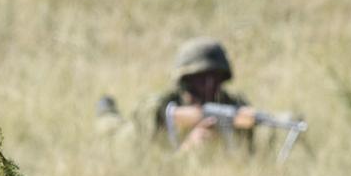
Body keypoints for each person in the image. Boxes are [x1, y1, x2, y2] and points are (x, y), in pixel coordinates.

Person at [97, 37, 252, 154]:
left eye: (215, 76)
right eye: (201, 77)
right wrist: (188, 146)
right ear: (186, 79)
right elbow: (154, 164)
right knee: (108, 126)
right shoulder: (162, 106)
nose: (209, 83)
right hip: (121, 141)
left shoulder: (232, 105)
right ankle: (105, 106)